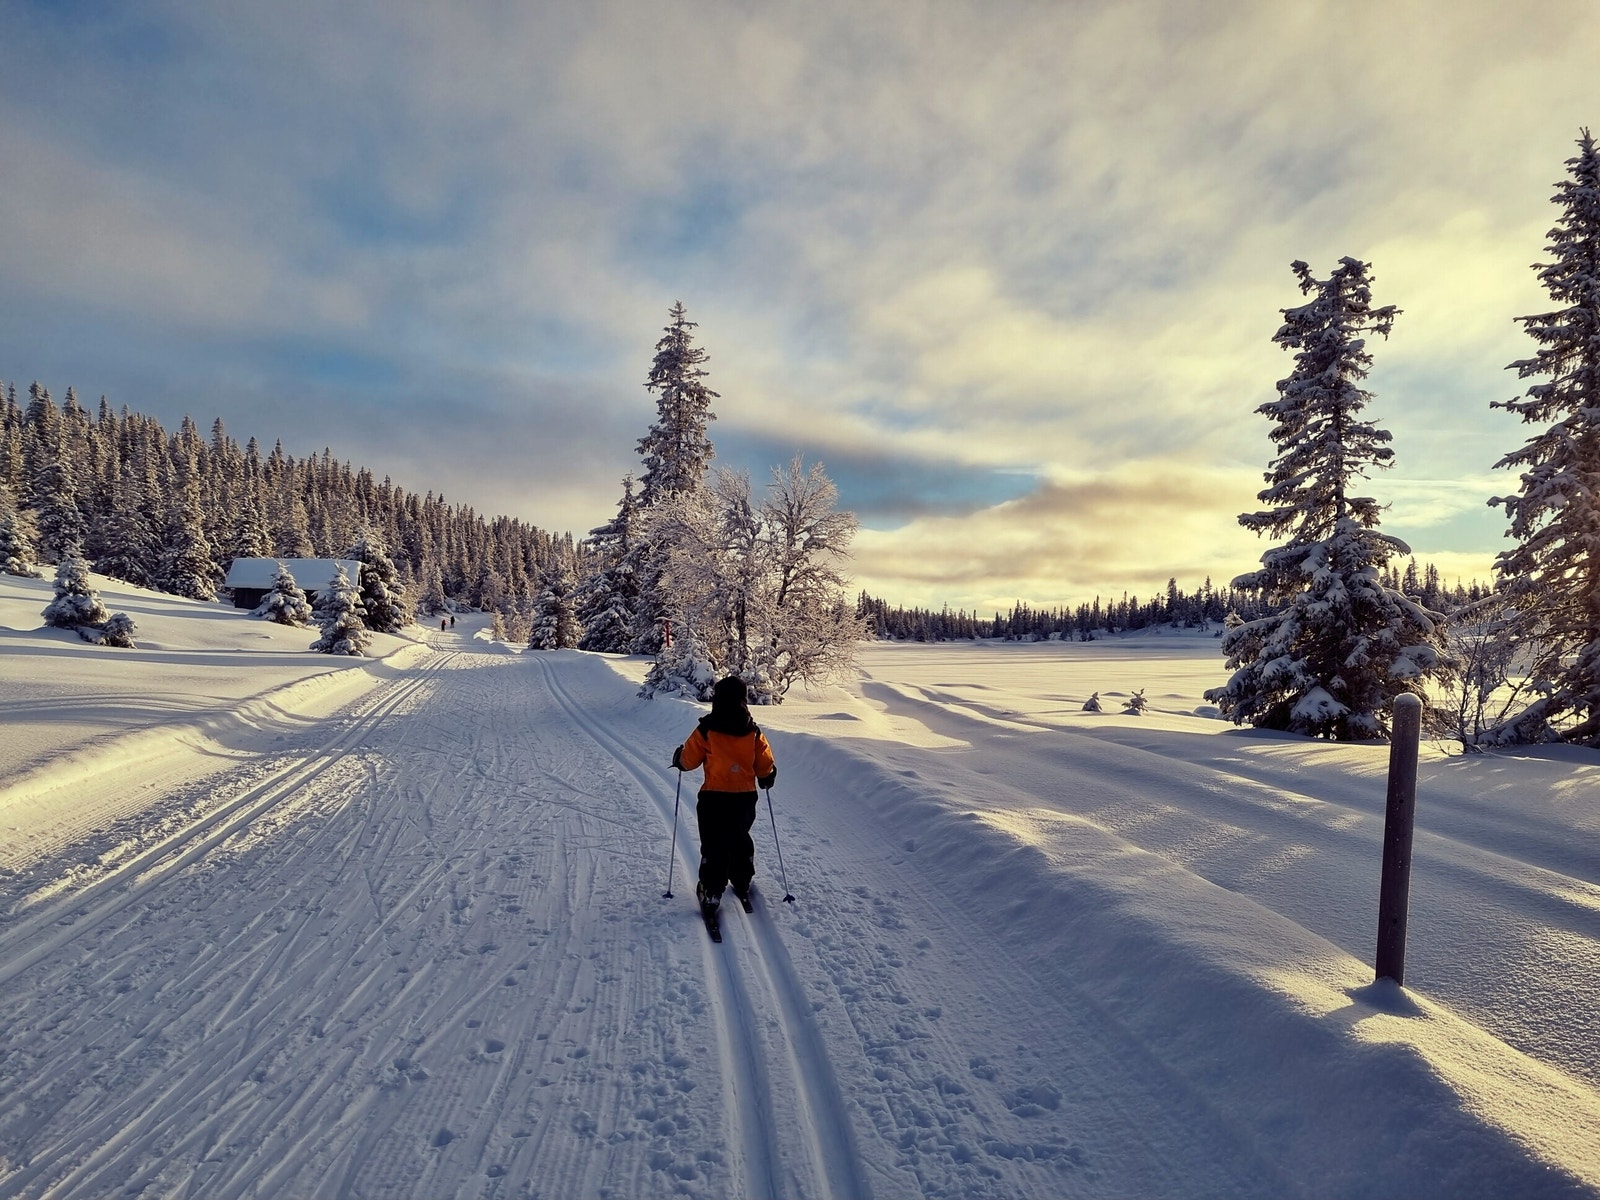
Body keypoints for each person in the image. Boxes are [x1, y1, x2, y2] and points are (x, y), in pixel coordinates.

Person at [672, 676, 777, 917]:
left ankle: (711, 891)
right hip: (745, 798)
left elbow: (689, 761)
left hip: (714, 798)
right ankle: (742, 881)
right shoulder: (752, 731)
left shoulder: (707, 729)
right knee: (739, 838)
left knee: (715, 843)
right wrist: (768, 776)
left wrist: (679, 759)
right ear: (743, 699)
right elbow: (764, 766)